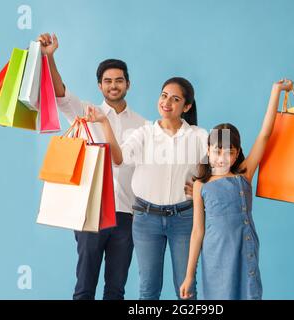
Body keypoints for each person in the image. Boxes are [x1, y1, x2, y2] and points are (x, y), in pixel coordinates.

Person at [37, 33, 147, 300]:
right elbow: (60, 93)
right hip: (91, 212)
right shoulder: (85, 112)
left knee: (116, 290)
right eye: (107, 81)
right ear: (99, 86)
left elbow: (152, 170)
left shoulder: (144, 125)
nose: (113, 85)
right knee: (85, 288)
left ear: (128, 84)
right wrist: (50, 57)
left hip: (126, 215)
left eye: (119, 80)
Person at [85, 77, 208, 300]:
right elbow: (119, 159)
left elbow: (213, 173)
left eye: (175, 98)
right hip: (146, 218)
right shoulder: (143, 133)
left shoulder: (199, 137)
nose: (167, 102)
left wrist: (201, 186)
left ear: (186, 106)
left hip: (183, 218)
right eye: (164, 95)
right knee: (148, 290)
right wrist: (104, 122)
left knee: (187, 289)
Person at [179, 79, 294, 300]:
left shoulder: (244, 174)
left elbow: (265, 134)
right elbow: (197, 232)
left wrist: (276, 91)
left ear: (237, 152)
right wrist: (189, 275)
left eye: (229, 152)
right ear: (208, 150)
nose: (222, 158)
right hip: (216, 255)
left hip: (244, 247)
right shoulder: (201, 185)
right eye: (217, 151)